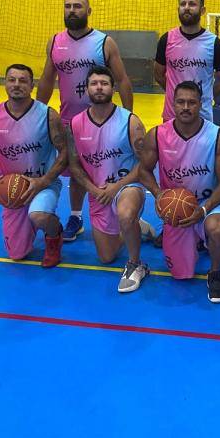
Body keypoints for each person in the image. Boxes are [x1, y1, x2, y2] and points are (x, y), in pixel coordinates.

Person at [36, 0, 135, 243]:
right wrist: (37, 114)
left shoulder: (104, 42)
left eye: (78, 6)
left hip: (104, 120)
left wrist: (128, 116)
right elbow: (46, 80)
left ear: (88, 11)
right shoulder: (55, 42)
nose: (72, 10)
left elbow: (122, 80)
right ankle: (76, 217)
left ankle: (124, 214)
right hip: (70, 121)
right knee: (75, 171)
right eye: (68, 6)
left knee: (110, 170)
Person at [138, 81, 220, 303]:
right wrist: (159, 194)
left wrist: (203, 209)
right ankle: (195, 241)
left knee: (217, 229)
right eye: (181, 102)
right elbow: (143, 170)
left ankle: (215, 273)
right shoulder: (157, 134)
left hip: (207, 204)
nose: (186, 107)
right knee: (181, 274)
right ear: (173, 104)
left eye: (192, 102)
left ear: (201, 104)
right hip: (177, 209)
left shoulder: (218, 136)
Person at [0, 63, 67, 267]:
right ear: (5, 83)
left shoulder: (48, 115)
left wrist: (44, 181)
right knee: (17, 253)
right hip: (12, 189)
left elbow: (66, 152)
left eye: (23, 81)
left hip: (44, 184)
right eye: (11, 80)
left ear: (32, 85)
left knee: (39, 215)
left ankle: (54, 235)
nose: (16, 84)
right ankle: (30, 223)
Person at [67, 65, 151, 293]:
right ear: (86, 89)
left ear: (113, 88)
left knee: (125, 212)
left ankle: (136, 264)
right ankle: (136, 227)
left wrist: (117, 187)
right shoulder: (75, 124)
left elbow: (145, 163)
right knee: (106, 256)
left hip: (127, 186)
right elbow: (74, 165)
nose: (99, 87)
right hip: (98, 193)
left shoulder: (130, 121)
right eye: (94, 83)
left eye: (104, 83)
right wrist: (92, 189)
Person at [153, 0, 220, 123]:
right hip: (172, 116)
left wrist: (206, 96)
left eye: (192, 4)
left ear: (202, 10)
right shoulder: (167, 39)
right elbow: (158, 75)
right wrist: (175, 93)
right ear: (178, 8)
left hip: (202, 118)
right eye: (183, 4)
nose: (186, 7)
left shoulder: (213, 43)